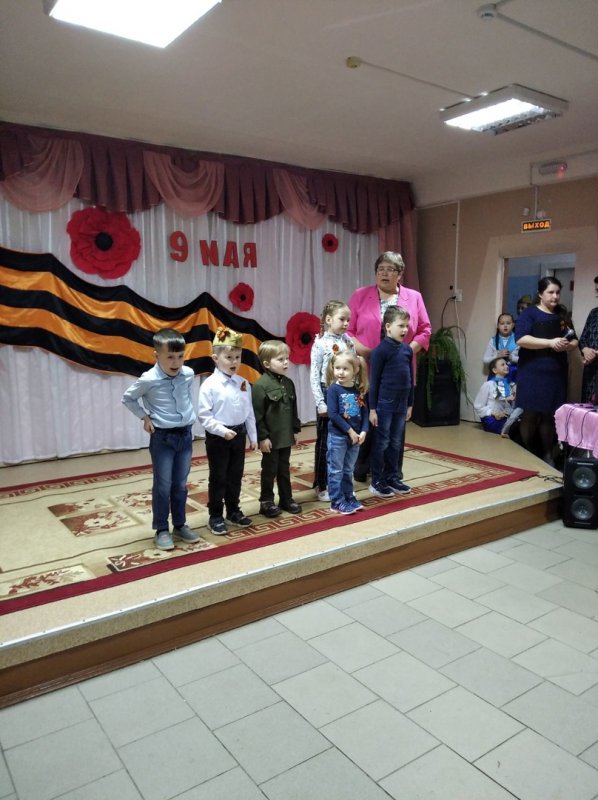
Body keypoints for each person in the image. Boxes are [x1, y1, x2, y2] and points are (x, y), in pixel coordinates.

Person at [348, 251, 431, 482]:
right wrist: (367, 352)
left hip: (399, 372)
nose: (384, 273)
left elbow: (425, 330)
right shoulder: (360, 295)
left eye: (390, 269)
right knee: (367, 417)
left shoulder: (414, 297)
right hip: (366, 367)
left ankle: (391, 471)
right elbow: (348, 331)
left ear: (400, 274)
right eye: (380, 269)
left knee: (395, 425)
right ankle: (362, 467)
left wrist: (406, 352)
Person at [122, 328, 200, 551]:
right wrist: (144, 417)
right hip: (163, 438)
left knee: (180, 484)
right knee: (163, 484)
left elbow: (185, 397)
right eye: (170, 357)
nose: (176, 362)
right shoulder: (149, 379)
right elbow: (128, 398)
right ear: (157, 356)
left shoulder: (188, 374)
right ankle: (162, 529)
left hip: (185, 435)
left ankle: (180, 524)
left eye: (180, 356)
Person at [197, 327, 258, 535]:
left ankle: (233, 510)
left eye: (237, 357)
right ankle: (215, 515)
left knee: (235, 475)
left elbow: (249, 411)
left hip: (239, 435)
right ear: (215, 358)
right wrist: (222, 431)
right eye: (229, 357)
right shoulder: (209, 385)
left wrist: (253, 436)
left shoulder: (243, 383)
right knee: (218, 476)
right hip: (219, 438)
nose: (234, 362)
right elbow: (204, 416)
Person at [515, 276, 578, 466]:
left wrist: (567, 345)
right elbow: (521, 339)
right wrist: (550, 342)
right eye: (551, 292)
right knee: (530, 413)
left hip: (555, 372)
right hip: (532, 371)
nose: (555, 296)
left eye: (558, 292)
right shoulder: (530, 313)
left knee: (550, 414)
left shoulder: (562, 314)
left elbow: (574, 340)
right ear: (540, 294)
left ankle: (547, 454)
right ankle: (528, 452)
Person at [309, 300, 356, 502]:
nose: (346, 323)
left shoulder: (348, 342)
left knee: (346, 438)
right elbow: (314, 375)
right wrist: (321, 402)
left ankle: (343, 483)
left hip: (347, 393)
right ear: (328, 319)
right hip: (328, 393)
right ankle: (322, 484)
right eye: (342, 319)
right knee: (326, 441)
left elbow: (354, 368)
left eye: (348, 320)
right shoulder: (320, 344)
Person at [252, 340, 302, 518]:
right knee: (269, 470)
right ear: (267, 364)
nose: (286, 362)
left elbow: (293, 409)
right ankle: (266, 501)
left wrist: (294, 430)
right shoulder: (260, 386)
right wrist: (263, 437)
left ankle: (286, 499)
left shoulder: (288, 383)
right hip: (271, 439)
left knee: (284, 469)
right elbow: (257, 415)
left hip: (285, 436)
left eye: (287, 358)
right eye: (280, 359)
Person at [368, 306, 414, 498]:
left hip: (401, 404)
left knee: (396, 442)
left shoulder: (407, 350)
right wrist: (372, 409)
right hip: (384, 404)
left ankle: (392, 477)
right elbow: (374, 381)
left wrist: (410, 404)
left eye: (406, 326)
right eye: (401, 325)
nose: (405, 329)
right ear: (388, 326)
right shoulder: (380, 351)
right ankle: (377, 481)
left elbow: (411, 378)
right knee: (382, 442)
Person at [326, 350, 369, 515]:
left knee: (348, 469)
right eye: (337, 368)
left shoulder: (357, 391)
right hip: (338, 437)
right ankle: (337, 501)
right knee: (336, 470)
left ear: (355, 370)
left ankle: (348, 496)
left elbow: (364, 412)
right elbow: (333, 414)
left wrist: (364, 430)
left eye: (345, 369)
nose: (340, 372)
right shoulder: (333, 390)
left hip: (355, 437)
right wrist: (350, 431)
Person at [474, 356, 522, 437]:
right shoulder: (489, 385)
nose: (506, 366)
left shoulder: (510, 385)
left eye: (506, 364)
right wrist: (493, 413)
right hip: (492, 419)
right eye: (502, 365)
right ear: (494, 370)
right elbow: (478, 406)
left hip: (506, 417)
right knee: (517, 428)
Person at [483, 313, 519, 381]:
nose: (505, 326)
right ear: (498, 326)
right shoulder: (493, 340)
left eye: (508, 323)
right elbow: (485, 360)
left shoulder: (519, 340)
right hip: (496, 375)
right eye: (502, 323)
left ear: (513, 325)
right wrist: (497, 355)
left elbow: (524, 360)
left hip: (513, 375)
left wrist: (512, 357)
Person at [579, 277, 598, 402]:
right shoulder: (594, 313)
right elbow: (583, 338)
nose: (596, 294)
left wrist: (596, 353)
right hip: (591, 371)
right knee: (587, 408)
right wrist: (585, 350)